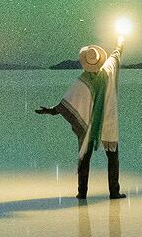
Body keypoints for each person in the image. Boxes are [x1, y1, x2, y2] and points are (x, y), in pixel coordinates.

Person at [32, 39, 123, 200]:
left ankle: (82, 193)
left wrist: (51, 111)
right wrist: (120, 41)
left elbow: (68, 103)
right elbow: (116, 54)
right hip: (108, 122)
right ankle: (114, 192)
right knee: (113, 157)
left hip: (88, 126)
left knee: (84, 158)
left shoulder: (83, 81)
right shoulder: (108, 69)